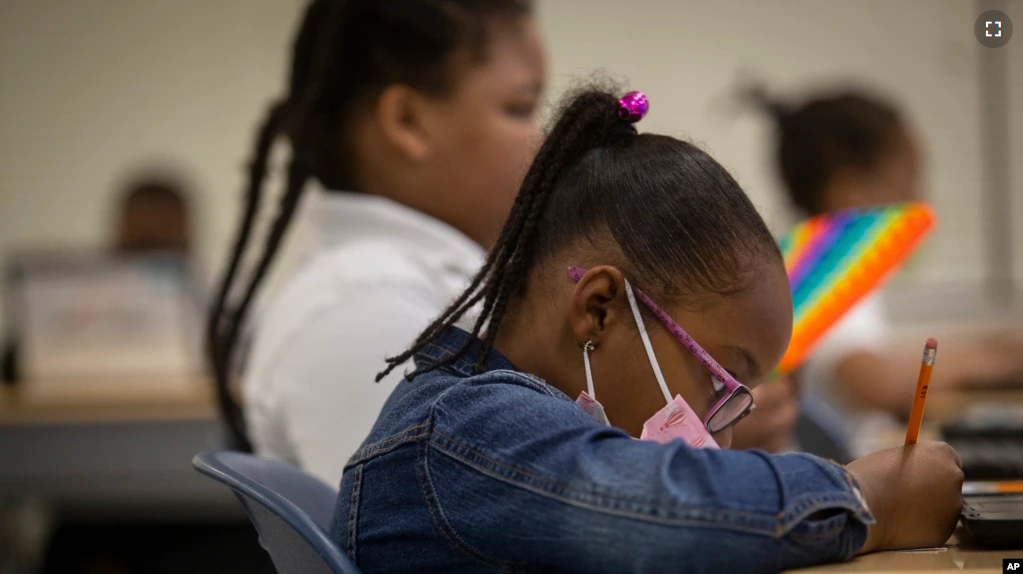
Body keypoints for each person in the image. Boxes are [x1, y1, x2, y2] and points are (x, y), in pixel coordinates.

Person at [333, 86, 964, 573]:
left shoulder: (492, 417)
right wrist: (866, 498)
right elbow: (661, 508)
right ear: (601, 309)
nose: (727, 426)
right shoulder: (470, 424)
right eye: (724, 380)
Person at [206, 0, 546, 483]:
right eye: (521, 108)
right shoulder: (364, 310)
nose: (542, 138)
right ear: (407, 121)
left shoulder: (402, 287)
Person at [751, 87, 1023, 458]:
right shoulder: (826, 271)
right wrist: (1000, 360)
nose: (920, 199)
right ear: (851, 191)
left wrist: (993, 347)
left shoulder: (816, 260)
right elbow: (869, 380)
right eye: (909, 179)